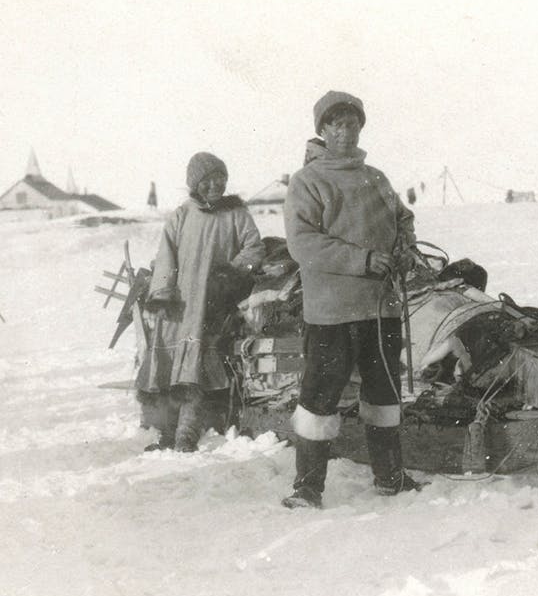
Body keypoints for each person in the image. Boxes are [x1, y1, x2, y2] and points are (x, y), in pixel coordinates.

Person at [281, 90, 424, 508]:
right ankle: (308, 487)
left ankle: (390, 477)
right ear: (322, 130)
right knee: (320, 398)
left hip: (380, 308)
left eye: (352, 123)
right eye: (337, 124)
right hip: (332, 312)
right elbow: (303, 243)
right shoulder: (307, 182)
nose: (346, 131)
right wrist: (362, 259)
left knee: (384, 394)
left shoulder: (375, 177)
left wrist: (405, 248)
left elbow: (403, 219)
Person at [136, 152, 265, 452]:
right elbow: (166, 255)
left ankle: (186, 435)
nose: (215, 186)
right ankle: (167, 433)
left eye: (220, 179)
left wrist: (231, 273)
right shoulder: (181, 215)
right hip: (178, 304)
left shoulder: (236, 213)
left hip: (213, 301)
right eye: (207, 181)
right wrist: (163, 293)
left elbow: (254, 248)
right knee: (168, 365)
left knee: (196, 366)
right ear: (195, 184)